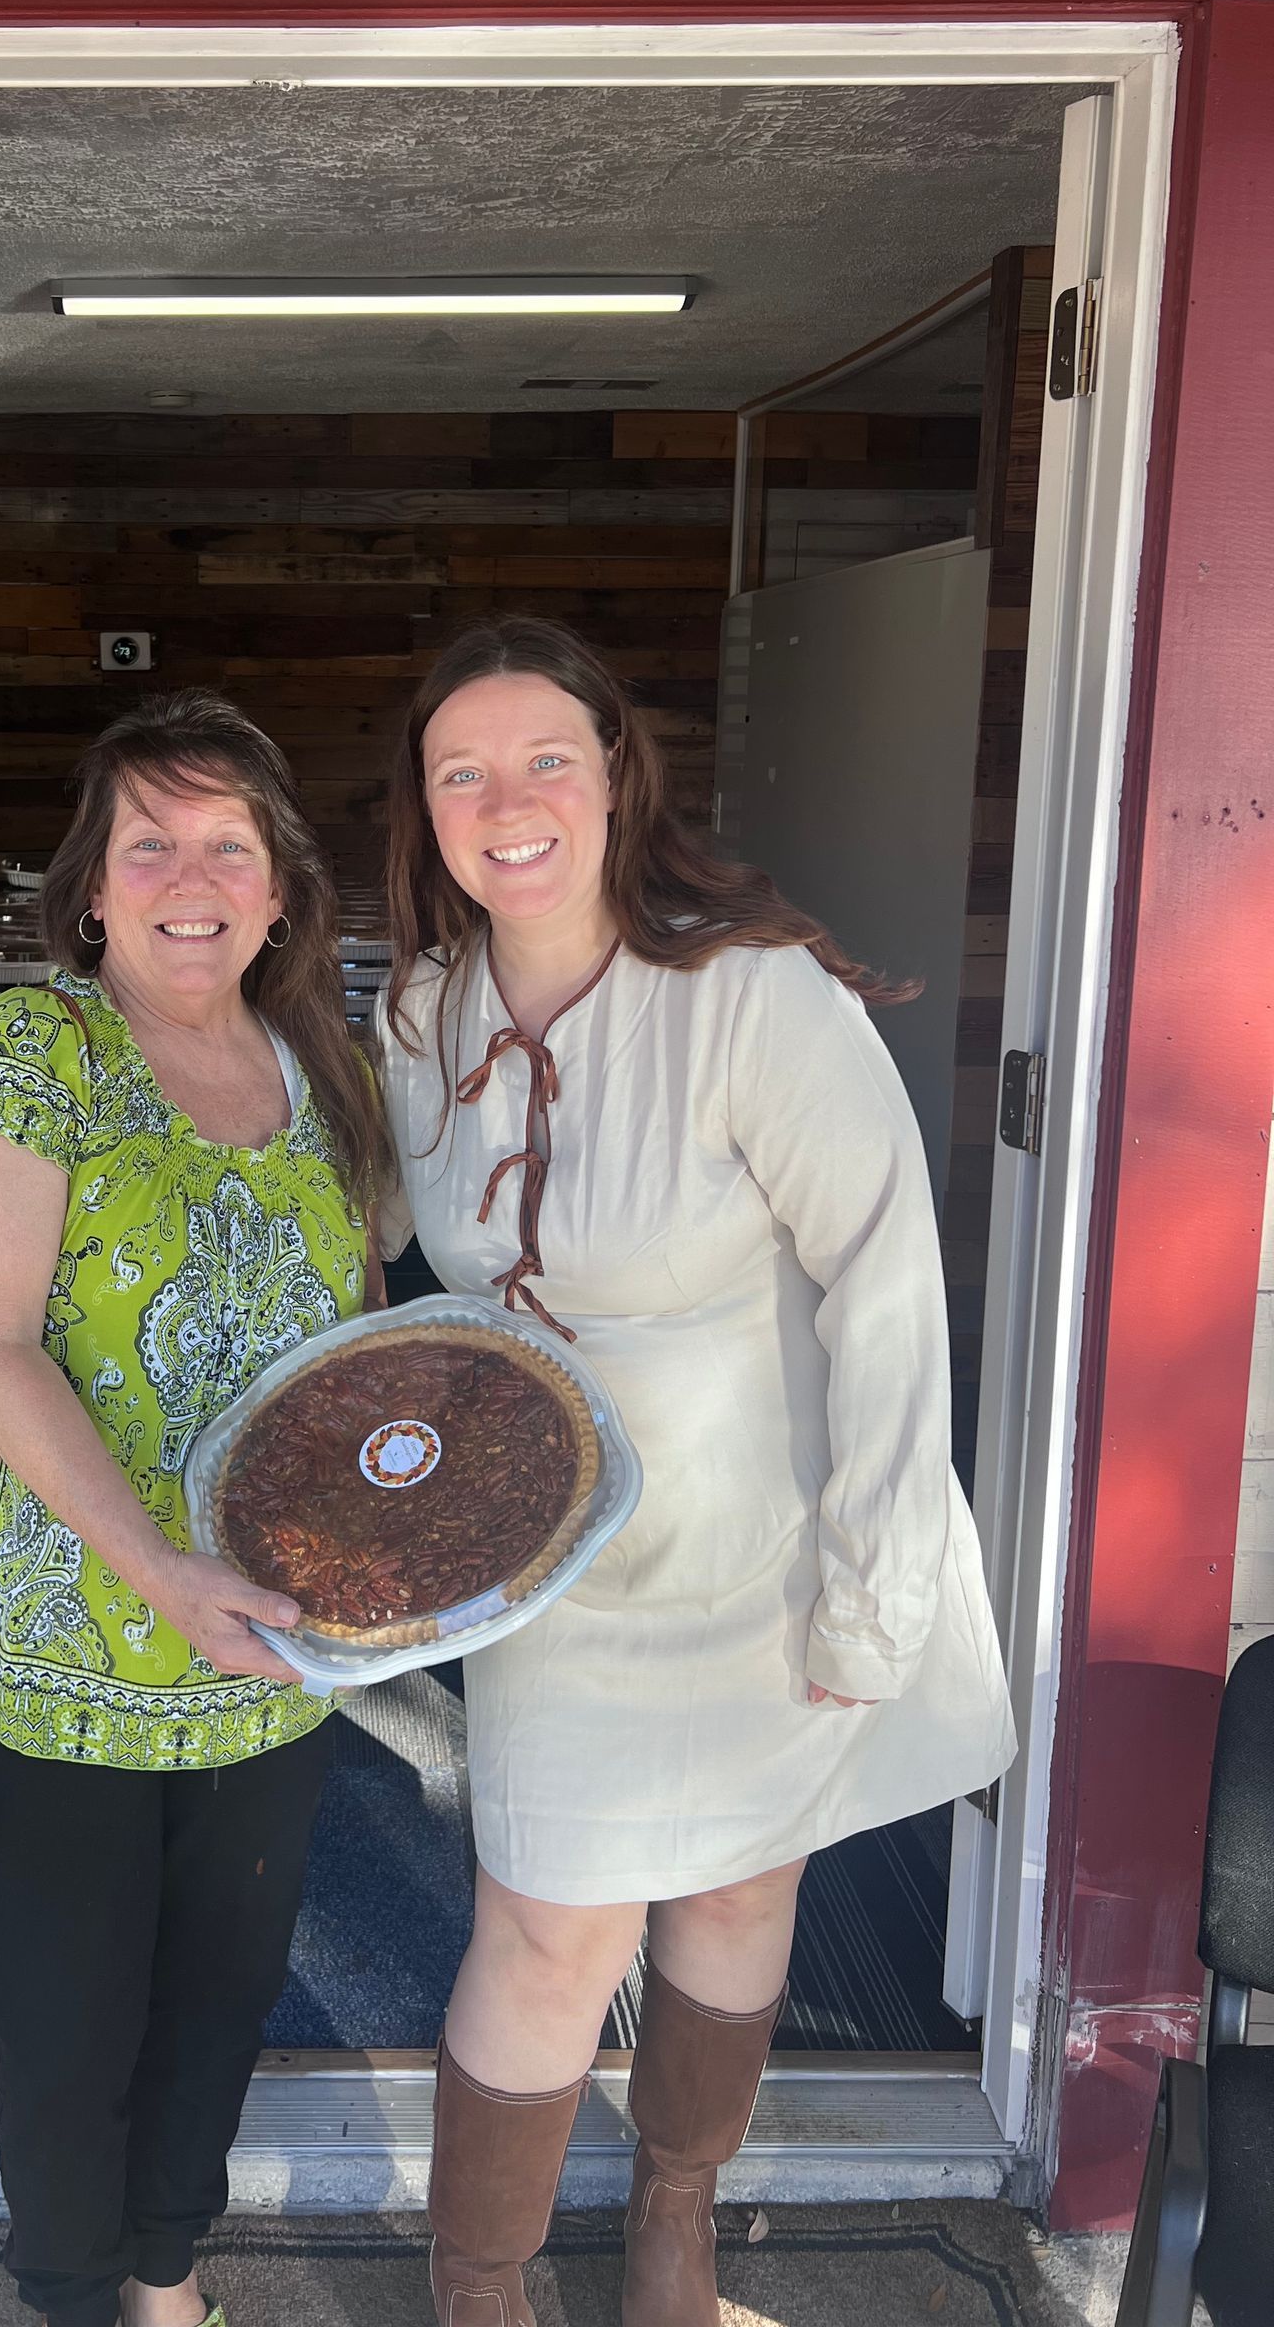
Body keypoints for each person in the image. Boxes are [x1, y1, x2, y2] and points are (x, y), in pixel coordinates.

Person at [373, 619, 1016, 2327]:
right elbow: (391, 1243)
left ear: (613, 778)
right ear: (425, 809)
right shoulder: (422, 1005)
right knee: (549, 1928)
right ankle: (481, 2287)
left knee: (740, 1878)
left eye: (544, 761)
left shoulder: (751, 994)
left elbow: (888, 1287)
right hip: (554, 1557)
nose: (506, 801)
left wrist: (876, 1596)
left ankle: (678, 2220)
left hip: (764, 1541)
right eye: (463, 771)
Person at [0, 691, 386, 2327]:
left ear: (276, 888)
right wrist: (159, 1570)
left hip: (265, 1646)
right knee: (67, 2021)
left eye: (229, 845)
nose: (193, 875)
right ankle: (66, 2295)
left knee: (220, 2001)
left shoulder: (318, 1061)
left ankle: (168, 2277)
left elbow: (363, 1340)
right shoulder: (30, 1053)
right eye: (151, 843)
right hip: (66, 1645)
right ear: (94, 888)